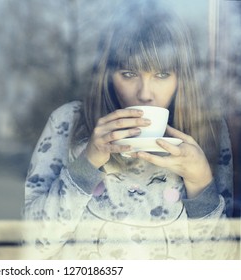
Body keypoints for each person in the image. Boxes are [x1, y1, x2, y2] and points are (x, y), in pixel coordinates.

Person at [23, 0, 236, 259]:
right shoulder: (68, 122)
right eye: (128, 74)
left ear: (182, 77)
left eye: (161, 75)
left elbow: (221, 264)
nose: (145, 94)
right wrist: (87, 163)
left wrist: (201, 182)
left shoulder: (209, 133)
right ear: (107, 76)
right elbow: (32, 245)